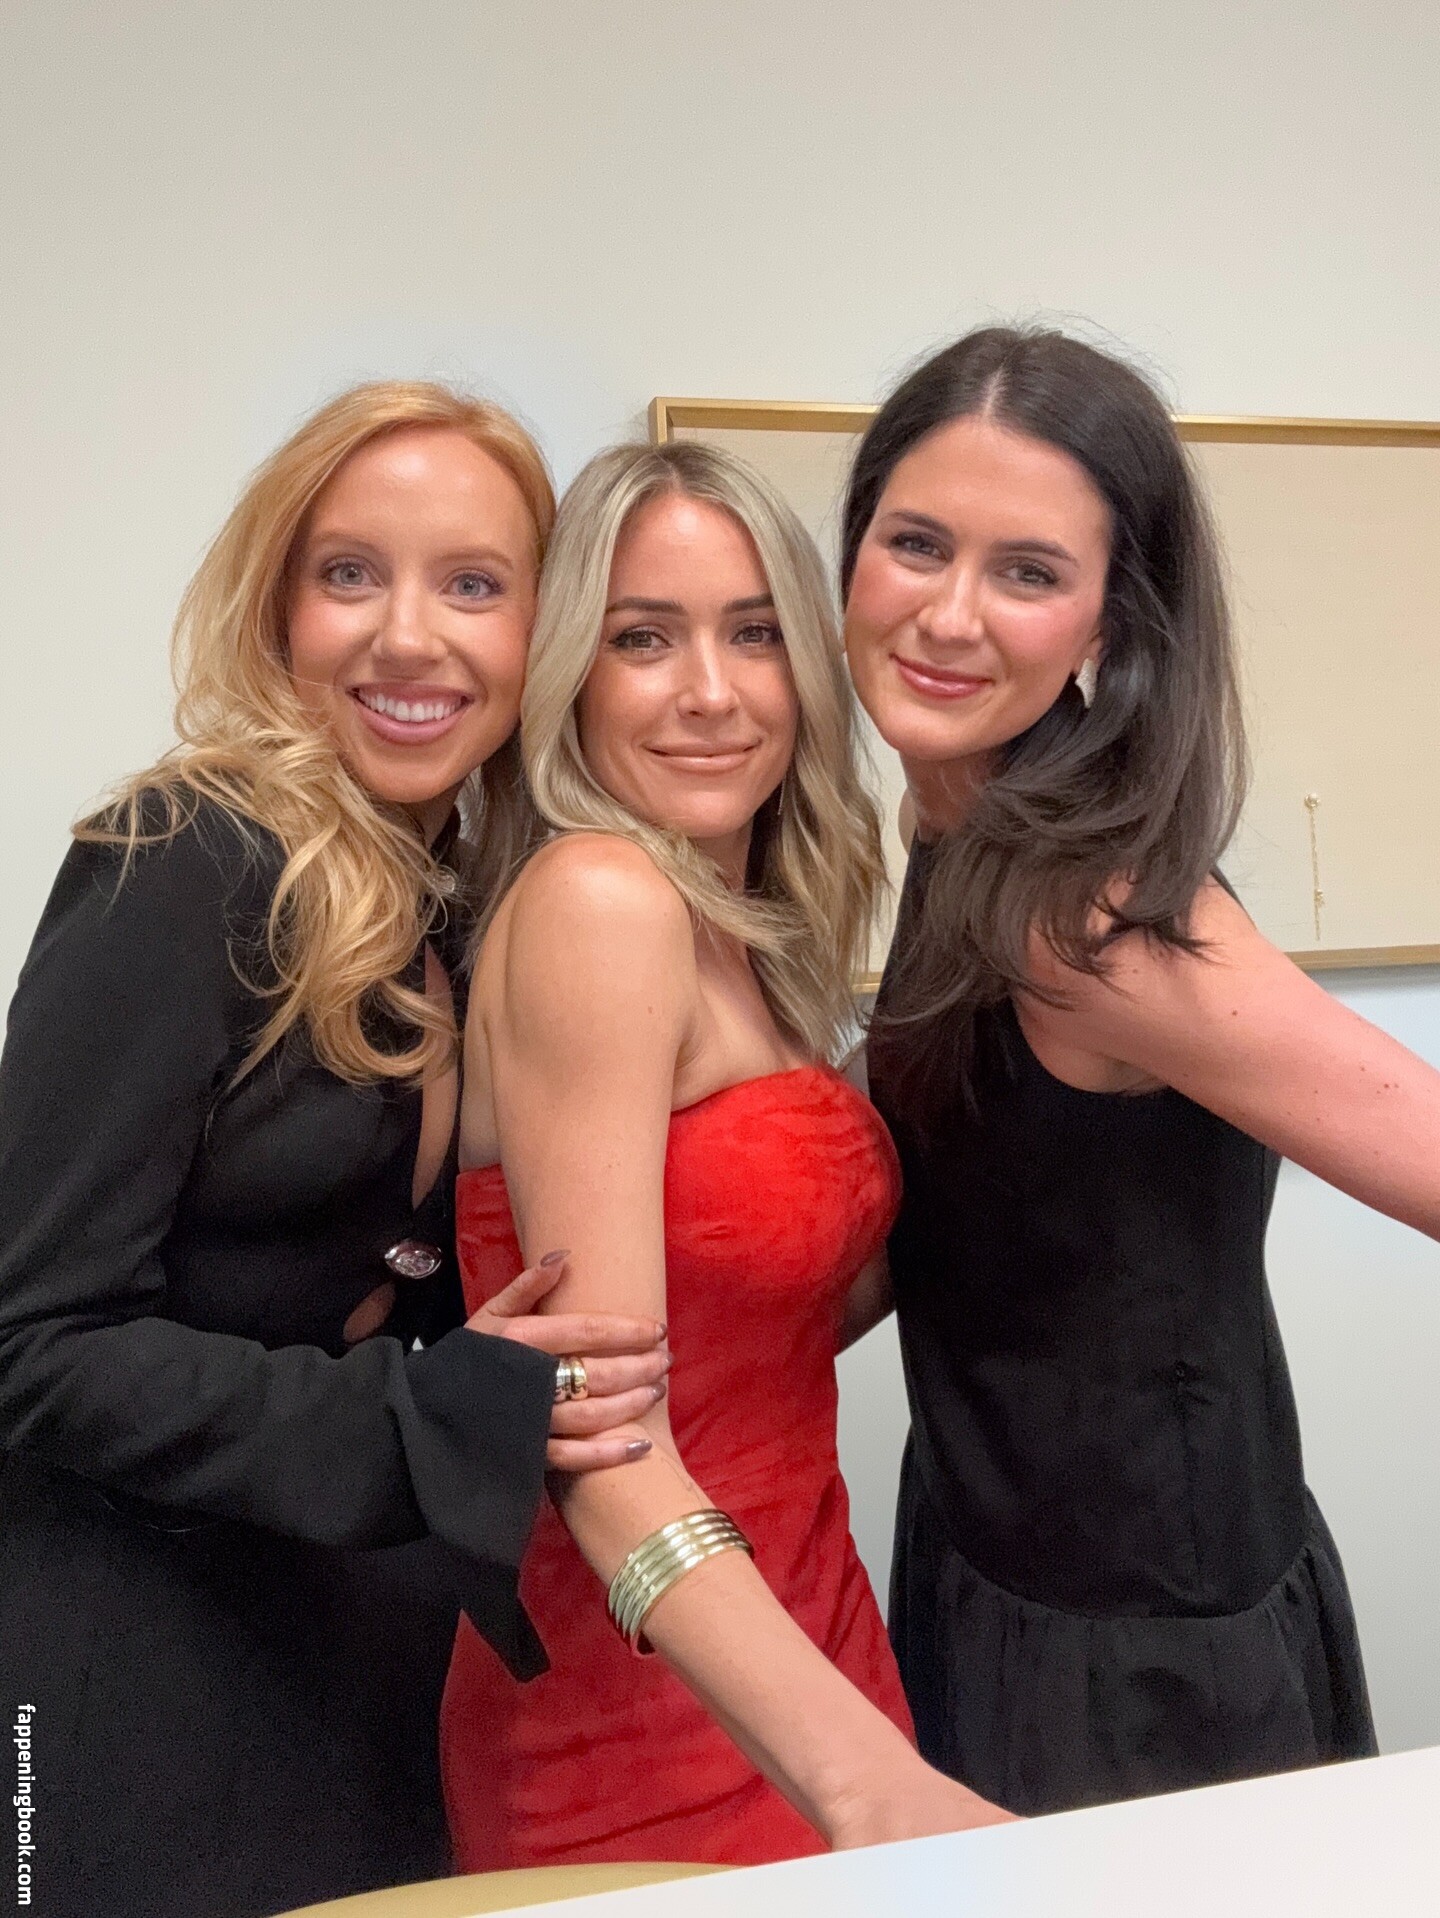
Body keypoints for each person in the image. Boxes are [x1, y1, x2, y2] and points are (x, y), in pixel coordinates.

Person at [0, 382, 668, 1918]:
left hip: (352, 1662)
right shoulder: (179, 860)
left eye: (473, 583)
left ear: (540, 632)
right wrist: (422, 1409)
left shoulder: (453, 900)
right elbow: (28, 1337)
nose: (409, 637)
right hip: (135, 1666)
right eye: (350, 573)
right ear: (280, 608)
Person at [839, 324, 1414, 1816]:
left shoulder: (1084, 919)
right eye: (917, 543)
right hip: (990, 1554)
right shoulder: (954, 823)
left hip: (1141, 1660)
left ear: (1109, 618)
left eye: (1028, 572)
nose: (949, 613)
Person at [441, 439, 1013, 1869]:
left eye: (755, 634)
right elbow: (603, 1436)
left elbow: (767, 1309)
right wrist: (861, 1780)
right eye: (644, 638)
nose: (711, 691)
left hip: (810, 1638)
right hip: (642, 1702)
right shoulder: (600, 902)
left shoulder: (749, 938)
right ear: (571, 675)